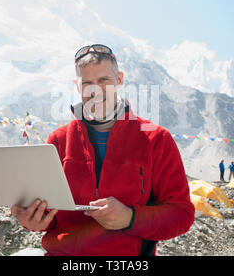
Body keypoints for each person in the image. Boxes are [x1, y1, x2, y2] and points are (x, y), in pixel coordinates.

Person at [11, 44, 195, 256]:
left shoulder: (156, 139)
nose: (95, 91)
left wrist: (130, 218)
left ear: (119, 80)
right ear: (77, 86)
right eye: (87, 83)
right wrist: (32, 220)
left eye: (103, 80)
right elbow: (49, 219)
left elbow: (182, 214)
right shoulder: (58, 141)